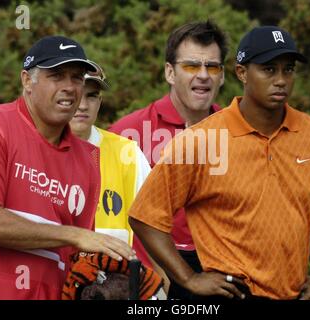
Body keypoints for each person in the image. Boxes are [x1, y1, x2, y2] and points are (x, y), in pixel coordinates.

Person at [127, 26, 310, 300]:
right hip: (226, 294)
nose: (281, 80)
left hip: (292, 294)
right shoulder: (199, 141)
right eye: (269, 69)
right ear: (242, 73)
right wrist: (189, 279)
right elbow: (144, 216)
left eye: (288, 69)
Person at [0, 35, 135, 299]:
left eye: (77, 78)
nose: (70, 87)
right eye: (57, 76)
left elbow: (74, 255)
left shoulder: (89, 159)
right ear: (27, 80)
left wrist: (97, 279)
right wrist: (74, 235)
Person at [109, 20, 227, 299]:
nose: (203, 75)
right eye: (190, 66)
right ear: (170, 73)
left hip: (221, 275)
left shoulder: (239, 132)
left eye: (212, 67)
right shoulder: (128, 133)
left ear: (222, 76)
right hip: (149, 276)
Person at [68, 62, 168, 295]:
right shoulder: (35, 149)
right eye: (77, 94)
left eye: (92, 96)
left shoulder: (128, 152)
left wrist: (162, 283)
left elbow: (154, 224)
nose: (83, 105)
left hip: (118, 287)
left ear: (100, 102)